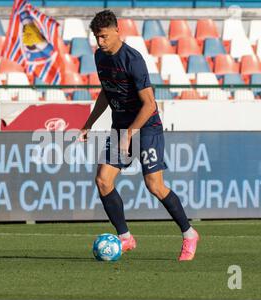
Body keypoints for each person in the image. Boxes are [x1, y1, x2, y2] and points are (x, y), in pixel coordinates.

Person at [78, 10, 200, 261]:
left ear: (116, 30)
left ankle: (189, 234)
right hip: (121, 126)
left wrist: (130, 134)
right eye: (96, 37)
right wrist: (89, 123)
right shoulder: (100, 56)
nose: (100, 42)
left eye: (103, 36)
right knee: (103, 180)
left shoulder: (133, 59)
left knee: (154, 185)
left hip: (146, 127)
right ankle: (125, 238)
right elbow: (106, 91)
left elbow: (150, 104)